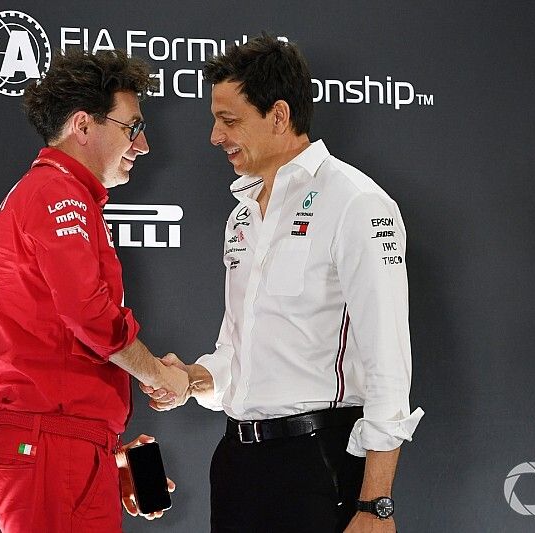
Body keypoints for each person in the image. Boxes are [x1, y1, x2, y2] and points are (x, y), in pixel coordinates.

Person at [141, 34, 424, 532]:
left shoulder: (356, 202)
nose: (214, 136)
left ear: (278, 115)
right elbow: (236, 352)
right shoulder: (241, 217)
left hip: (318, 464)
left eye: (229, 121)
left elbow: (388, 361)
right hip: (236, 463)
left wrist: (375, 503)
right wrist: (193, 380)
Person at [0, 49, 188, 533]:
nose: (144, 144)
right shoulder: (55, 193)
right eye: (132, 127)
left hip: (66, 444)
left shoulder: (57, 194)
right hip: (51, 445)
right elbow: (89, 315)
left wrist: (103, 454)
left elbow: (61, 339)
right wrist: (157, 374)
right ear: (83, 125)